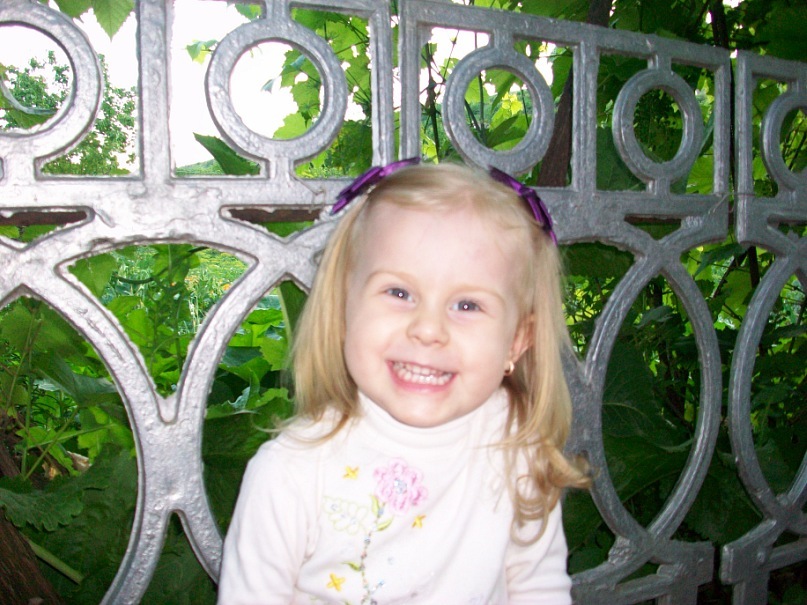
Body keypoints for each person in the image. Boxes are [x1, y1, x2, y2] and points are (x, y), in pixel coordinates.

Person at [218, 160, 589, 604]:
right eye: (399, 293)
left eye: (467, 305)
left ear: (517, 340)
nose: (428, 329)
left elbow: (537, 587)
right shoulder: (291, 474)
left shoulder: (516, 447)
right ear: (344, 309)